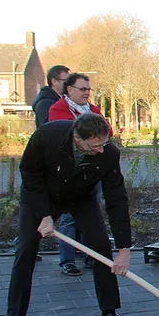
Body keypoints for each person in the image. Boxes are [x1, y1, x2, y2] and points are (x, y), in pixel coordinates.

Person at [1, 114, 133, 316]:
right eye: (94, 146)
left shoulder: (108, 153)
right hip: (41, 197)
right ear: (77, 138)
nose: (101, 150)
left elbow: (117, 199)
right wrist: (44, 215)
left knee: (100, 244)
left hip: (81, 198)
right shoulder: (47, 136)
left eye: (104, 144)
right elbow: (30, 175)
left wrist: (124, 248)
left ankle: (109, 312)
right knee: (26, 249)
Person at [49, 73, 112, 276]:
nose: (87, 93)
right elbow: (65, 134)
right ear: (70, 90)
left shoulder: (93, 110)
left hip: (93, 171)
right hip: (70, 174)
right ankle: (67, 260)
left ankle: (90, 257)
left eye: (88, 89)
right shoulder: (58, 109)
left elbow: (107, 132)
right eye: (82, 89)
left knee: (92, 214)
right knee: (68, 218)